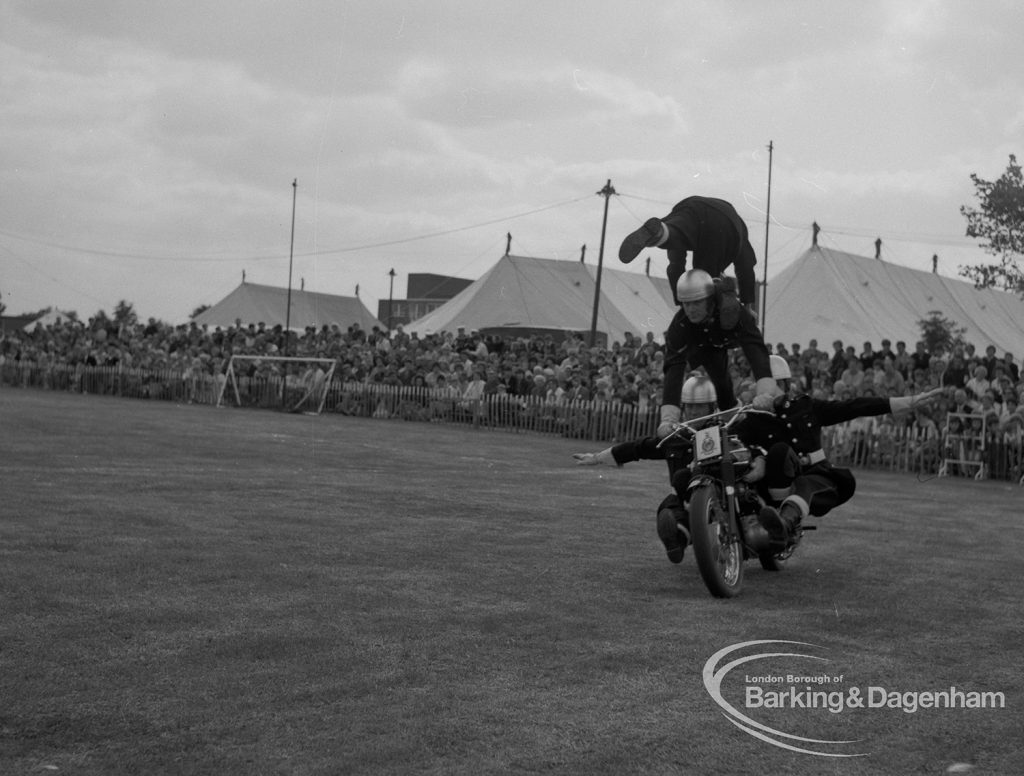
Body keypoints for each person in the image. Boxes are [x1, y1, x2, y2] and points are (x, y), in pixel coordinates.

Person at [742, 356, 946, 546]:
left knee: (806, 483)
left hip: (815, 475)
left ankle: (786, 523)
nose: (768, 392)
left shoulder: (806, 407)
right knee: (763, 463)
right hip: (774, 482)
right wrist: (757, 456)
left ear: (785, 385)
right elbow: (735, 440)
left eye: (773, 385)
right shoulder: (753, 418)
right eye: (762, 387)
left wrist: (908, 401)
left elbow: (854, 407)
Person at [573, 374, 733, 563]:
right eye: (689, 406)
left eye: (699, 406)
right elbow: (639, 448)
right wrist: (598, 457)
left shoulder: (725, 433)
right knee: (668, 507)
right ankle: (676, 542)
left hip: (723, 496)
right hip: (686, 498)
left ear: (711, 407)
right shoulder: (675, 438)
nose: (693, 411)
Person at [657, 269, 778, 438]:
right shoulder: (680, 324)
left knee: (758, 390)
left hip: (727, 337)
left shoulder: (734, 311)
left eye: (696, 303)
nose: (690, 310)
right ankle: (733, 421)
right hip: (704, 348)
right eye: (686, 303)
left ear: (709, 299)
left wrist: (765, 392)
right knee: (722, 389)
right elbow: (673, 369)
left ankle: (753, 429)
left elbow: (756, 352)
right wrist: (668, 419)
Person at [617, 196, 757, 325]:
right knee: (703, 281)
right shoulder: (740, 230)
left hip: (688, 207)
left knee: (676, 235)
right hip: (724, 220)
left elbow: (675, 267)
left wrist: (681, 303)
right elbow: (746, 267)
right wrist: (748, 305)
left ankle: (662, 234)